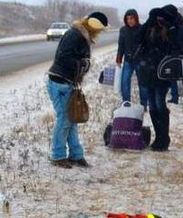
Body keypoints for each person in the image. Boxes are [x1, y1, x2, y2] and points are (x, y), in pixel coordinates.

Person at [46, 11, 109, 168]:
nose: (100, 33)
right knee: (65, 119)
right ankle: (57, 156)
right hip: (59, 82)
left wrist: (82, 65)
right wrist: (84, 64)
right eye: (100, 29)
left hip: (66, 82)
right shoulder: (76, 35)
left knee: (71, 119)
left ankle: (76, 155)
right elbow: (64, 57)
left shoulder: (80, 34)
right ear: (95, 27)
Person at [134, 6, 183, 151]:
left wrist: (170, 26)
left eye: (163, 18)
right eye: (158, 18)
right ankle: (159, 137)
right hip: (148, 70)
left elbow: (177, 46)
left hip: (163, 72)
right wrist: (149, 20)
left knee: (160, 103)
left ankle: (163, 138)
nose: (160, 20)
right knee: (153, 105)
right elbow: (138, 38)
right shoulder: (150, 28)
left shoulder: (174, 29)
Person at [161, 5, 183, 104]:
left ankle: (175, 98)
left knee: (172, 78)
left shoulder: (169, 31)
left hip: (172, 56)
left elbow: (167, 44)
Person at [116, 9, 147, 106]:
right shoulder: (123, 30)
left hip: (140, 61)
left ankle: (144, 104)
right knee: (124, 83)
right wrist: (118, 59)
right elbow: (121, 45)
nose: (130, 20)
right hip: (128, 61)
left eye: (132, 18)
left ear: (136, 18)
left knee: (142, 84)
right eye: (127, 18)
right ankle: (126, 104)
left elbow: (146, 45)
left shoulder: (142, 29)